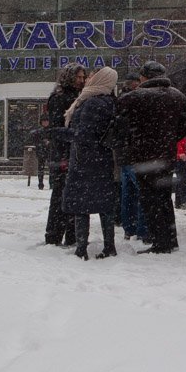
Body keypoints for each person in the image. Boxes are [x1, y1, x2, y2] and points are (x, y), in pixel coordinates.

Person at [115, 61, 186, 253]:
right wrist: (168, 139)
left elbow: (121, 126)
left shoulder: (133, 97)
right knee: (164, 198)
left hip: (143, 156)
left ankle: (159, 241)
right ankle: (170, 239)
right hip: (166, 155)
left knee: (150, 199)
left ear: (144, 77)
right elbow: (184, 127)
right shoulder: (178, 96)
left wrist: (136, 140)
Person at [62, 67, 120, 260]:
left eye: (93, 75)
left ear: (101, 79)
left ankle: (81, 249)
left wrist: (56, 133)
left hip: (85, 160)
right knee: (104, 205)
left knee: (82, 205)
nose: (88, 78)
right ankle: (109, 246)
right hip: (102, 159)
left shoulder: (91, 102)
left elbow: (83, 134)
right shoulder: (110, 101)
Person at [44, 64, 87, 246]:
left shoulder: (79, 96)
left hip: (72, 152)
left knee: (72, 195)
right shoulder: (60, 98)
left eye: (83, 77)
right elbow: (56, 128)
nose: (81, 80)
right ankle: (55, 235)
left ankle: (69, 234)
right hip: (64, 153)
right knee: (61, 195)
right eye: (78, 77)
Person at [116, 72, 146, 240]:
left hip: (124, 154)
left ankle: (129, 228)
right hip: (134, 153)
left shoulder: (120, 100)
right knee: (141, 191)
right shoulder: (136, 101)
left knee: (127, 194)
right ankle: (141, 230)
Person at [27, 116, 50, 189]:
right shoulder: (38, 131)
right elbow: (35, 141)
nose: (45, 123)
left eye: (46, 121)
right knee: (41, 168)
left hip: (49, 151)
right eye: (44, 121)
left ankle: (52, 183)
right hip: (41, 151)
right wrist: (42, 143)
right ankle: (40, 183)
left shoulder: (51, 130)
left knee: (52, 168)